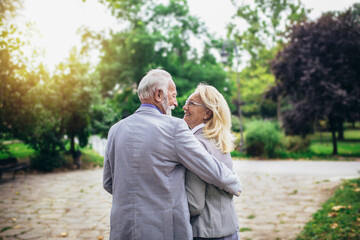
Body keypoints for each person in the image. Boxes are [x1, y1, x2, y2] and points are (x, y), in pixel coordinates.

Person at [103, 69, 242, 240]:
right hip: (162, 230)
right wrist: (234, 182)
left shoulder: (116, 130)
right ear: (159, 95)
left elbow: (109, 182)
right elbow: (207, 166)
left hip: (123, 228)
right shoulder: (174, 128)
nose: (176, 103)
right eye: (174, 96)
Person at [183, 83, 240, 240]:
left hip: (206, 232)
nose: (184, 107)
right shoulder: (219, 141)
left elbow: (194, 204)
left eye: (191, 103)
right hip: (230, 229)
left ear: (207, 113)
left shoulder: (194, 144)